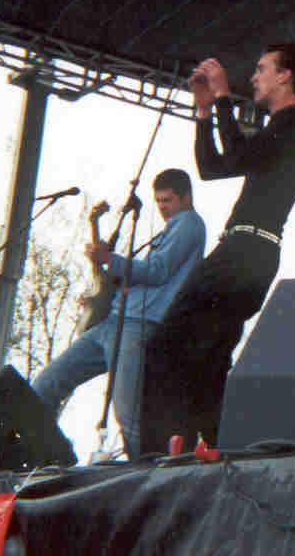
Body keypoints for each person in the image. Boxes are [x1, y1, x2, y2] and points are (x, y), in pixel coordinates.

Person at [139, 42, 295, 454]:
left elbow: (235, 153)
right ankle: (211, 450)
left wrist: (222, 96)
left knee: (165, 344)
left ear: (285, 76)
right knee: (211, 357)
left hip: (245, 250)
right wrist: (204, 112)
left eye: (261, 68)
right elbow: (213, 168)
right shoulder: (280, 128)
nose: (253, 77)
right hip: (251, 253)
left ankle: (156, 454)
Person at [32, 169, 206, 459]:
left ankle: (143, 474)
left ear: (186, 197)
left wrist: (109, 259)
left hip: (138, 325)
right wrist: (105, 278)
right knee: (47, 382)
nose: (162, 207)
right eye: (158, 201)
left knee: (128, 414)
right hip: (114, 321)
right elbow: (139, 275)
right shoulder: (171, 228)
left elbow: (158, 271)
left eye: (168, 200)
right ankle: (50, 455)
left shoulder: (188, 223)